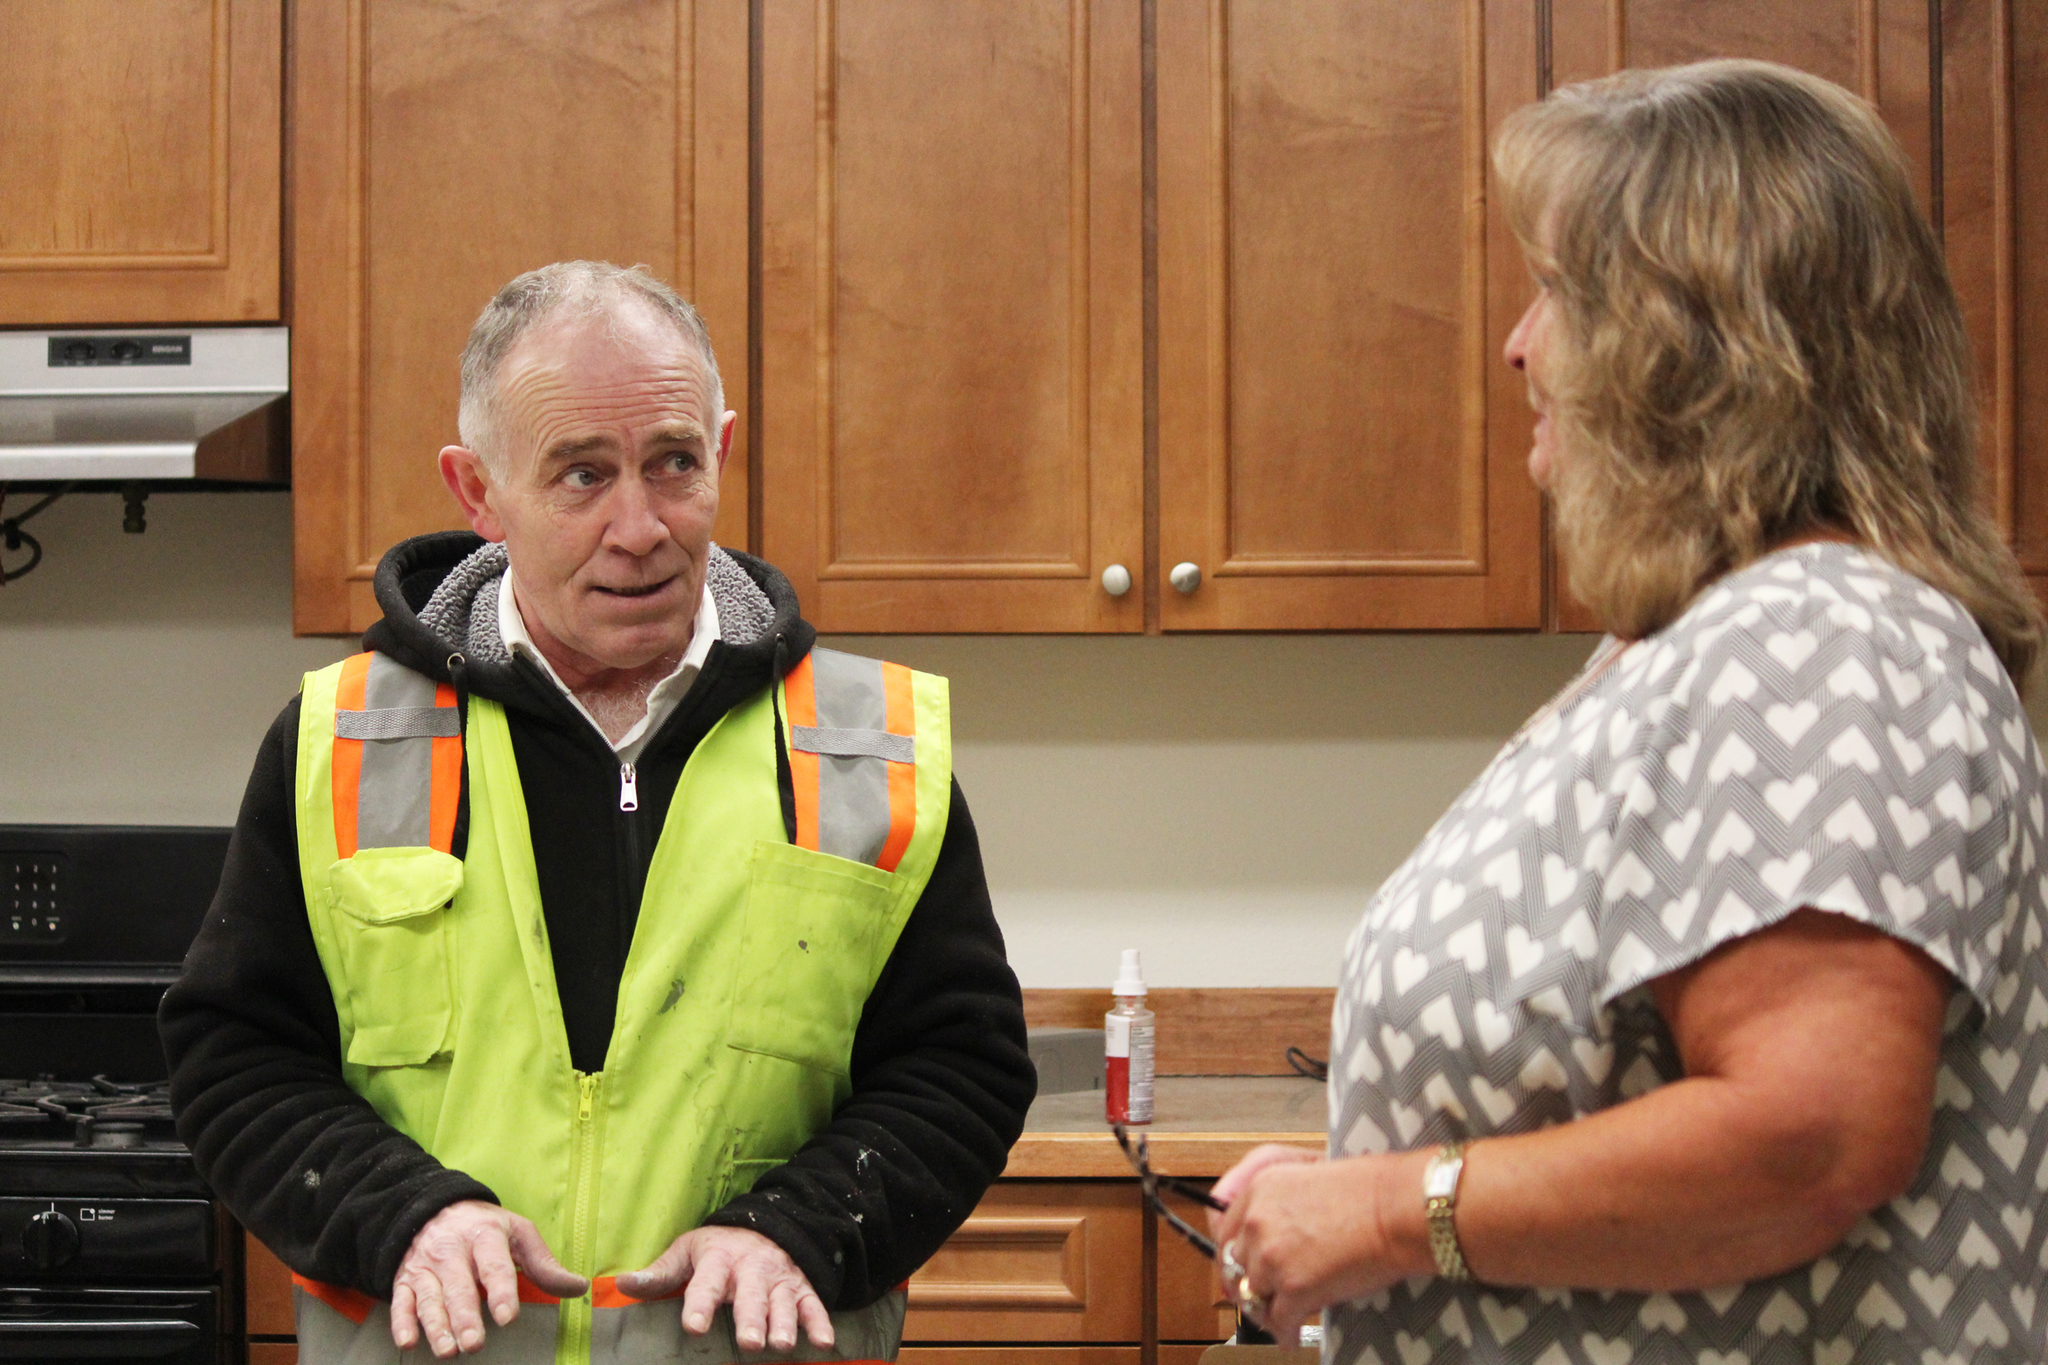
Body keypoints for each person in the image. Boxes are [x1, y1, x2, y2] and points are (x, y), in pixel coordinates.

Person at [1207, 60, 2048, 1364]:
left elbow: (1807, 1133)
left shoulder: (1829, 635)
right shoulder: (1704, 641)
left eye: (1554, 291)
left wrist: (1386, 1206)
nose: (1518, 343)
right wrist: (1351, 1184)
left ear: (1689, 349)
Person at [159, 261, 1036, 1364]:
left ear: (718, 451)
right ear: (477, 491)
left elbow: (960, 1067)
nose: (640, 526)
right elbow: (235, 1055)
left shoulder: (871, 744)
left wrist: (797, 1231)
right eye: (581, 476)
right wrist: (408, 1217)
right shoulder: (339, 740)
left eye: (673, 463)